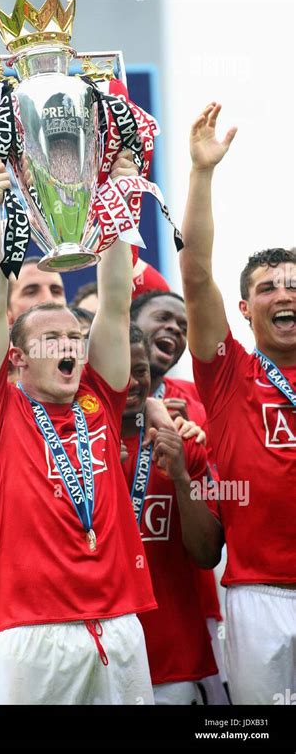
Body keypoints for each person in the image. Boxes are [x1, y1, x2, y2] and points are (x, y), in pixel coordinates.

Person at [0, 151, 177, 705]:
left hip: (121, 626)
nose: (69, 347)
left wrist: (122, 201)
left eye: (75, 339)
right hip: (29, 634)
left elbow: (116, 306)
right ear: (15, 360)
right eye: (50, 339)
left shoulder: (98, 396)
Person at [180, 101, 296, 704]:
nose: (284, 294)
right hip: (260, 596)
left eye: (293, 285)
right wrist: (202, 175)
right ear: (246, 310)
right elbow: (196, 273)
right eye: (267, 288)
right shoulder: (227, 374)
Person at [130, 289, 228, 703]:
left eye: (183, 326)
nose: (174, 328)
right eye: (163, 317)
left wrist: (187, 471)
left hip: (189, 620)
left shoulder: (195, 415)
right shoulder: (81, 433)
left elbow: (217, 525)